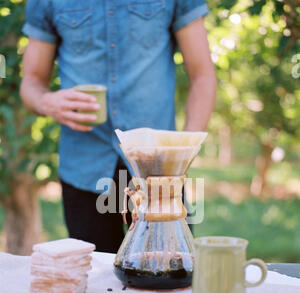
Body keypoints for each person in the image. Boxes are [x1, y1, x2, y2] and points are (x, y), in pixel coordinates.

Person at [21, 0, 217, 253]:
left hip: (160, 172)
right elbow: (32, 82)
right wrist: (46, 102)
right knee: (94, 284)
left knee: (171, 277)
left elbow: (203, 76)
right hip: (84, 169)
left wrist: (181, 157)